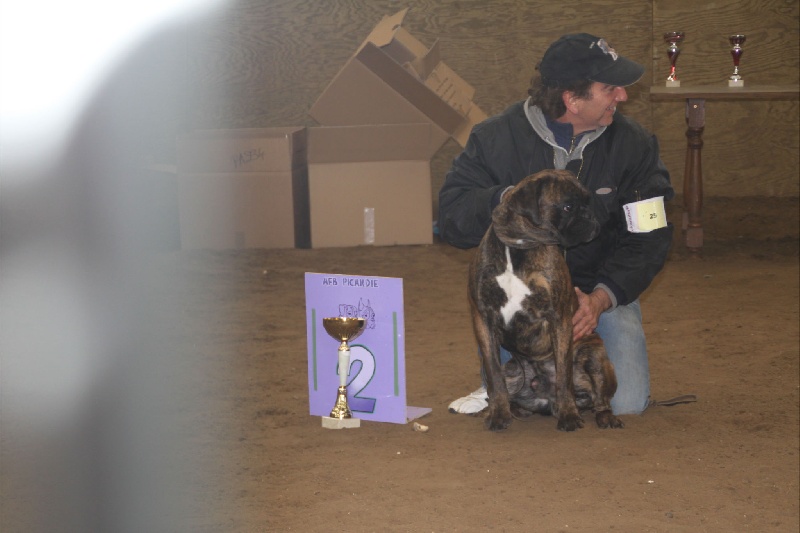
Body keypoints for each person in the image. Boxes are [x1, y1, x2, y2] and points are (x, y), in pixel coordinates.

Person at [439, 33, 674, 416]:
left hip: (597, 293)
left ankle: (533, 381)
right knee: (522, 396)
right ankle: (507, 379)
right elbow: (452, 217)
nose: (622, 96)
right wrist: (508, 200)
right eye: (610, 88)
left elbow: (651, 236)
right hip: (518, 302)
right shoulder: (494, 138)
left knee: (626, 403)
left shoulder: (634, 146)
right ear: (572, 99)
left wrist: (602, 298)